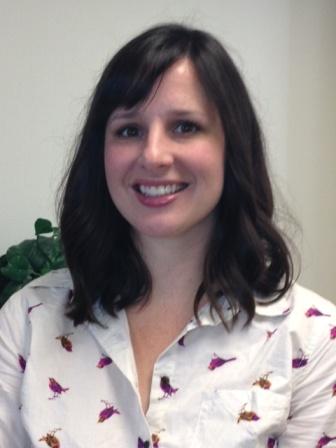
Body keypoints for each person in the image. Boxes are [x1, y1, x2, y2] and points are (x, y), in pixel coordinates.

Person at [0, 23, 335, 448]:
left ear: (232, 146)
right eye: (128, 130)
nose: (154, 155)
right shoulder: (28, 320)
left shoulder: (313, 340)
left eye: (184, 127)